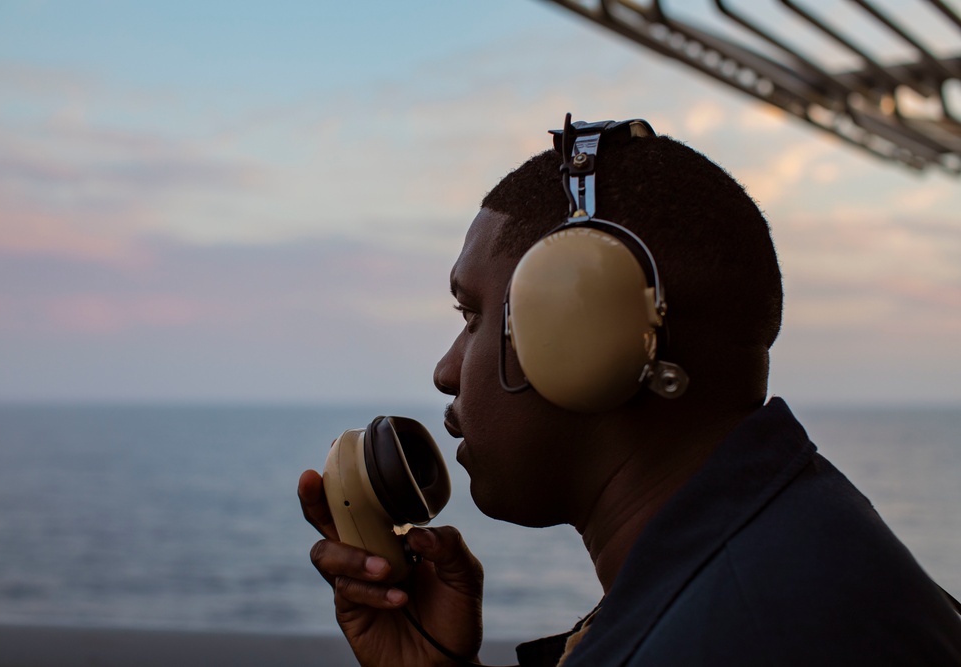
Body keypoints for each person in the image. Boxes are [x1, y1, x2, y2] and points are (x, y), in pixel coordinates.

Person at [299, 118, 961, 666]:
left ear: (584, 327)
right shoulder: (785, 553)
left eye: (472, 316)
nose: (445, 370)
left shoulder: (746, 631)